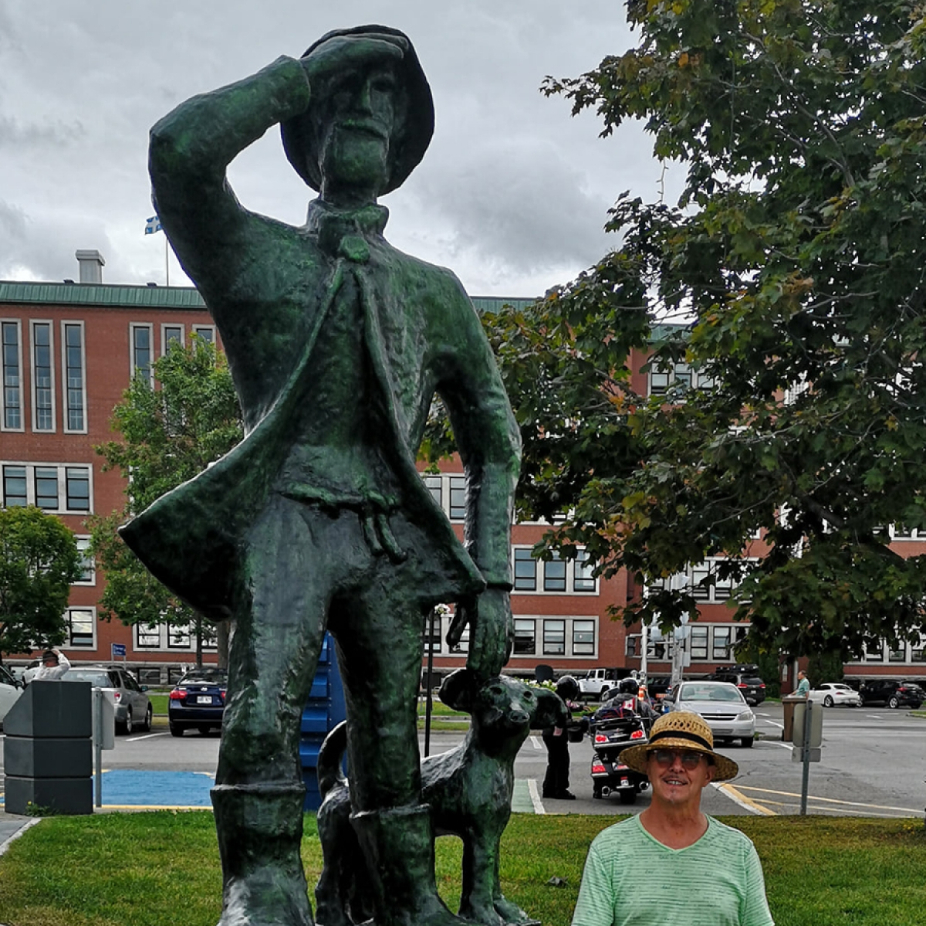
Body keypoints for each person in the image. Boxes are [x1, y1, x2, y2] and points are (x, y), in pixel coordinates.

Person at [120, 24, 521, 926]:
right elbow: (178, 151)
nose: (367, 107)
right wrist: (300, 77)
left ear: (405, 137)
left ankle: (410, 895)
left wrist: (491, 576)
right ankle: (263, 885)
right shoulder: (252, 254)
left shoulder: (436, 292)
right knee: (260, 712)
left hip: (387, 540)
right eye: (349, 92)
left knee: (389, 737)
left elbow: (495, 439)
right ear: (308, 124)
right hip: (285, 517)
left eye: (385, 96)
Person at [572, 711, 775, 926]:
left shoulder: (739, 852)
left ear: (708, 775)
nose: (676, 767)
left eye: (690, 758)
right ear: (648, 768)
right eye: (664, 755)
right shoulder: (609, 849)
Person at [542, 675, 579, 800]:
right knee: (562, 762)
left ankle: (548, 788)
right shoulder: (559, 702)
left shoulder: (555, 698)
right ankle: (560, 789)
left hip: (548, 733)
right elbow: (560, 720)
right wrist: (576, 724)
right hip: (556, 734)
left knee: (553, 762)